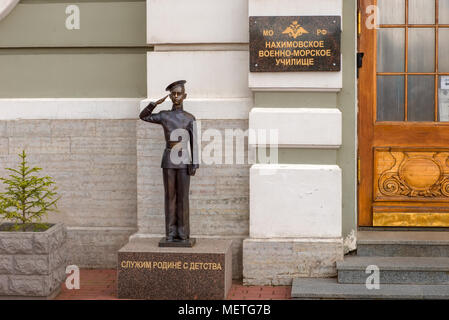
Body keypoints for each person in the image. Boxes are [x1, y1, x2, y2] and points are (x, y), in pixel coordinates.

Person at [139, 80, 199, 246]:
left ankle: (183, 233)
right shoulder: (165, 115)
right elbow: (143, 116)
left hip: (184, 160)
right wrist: (153, 104)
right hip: (168, 160)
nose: (176, 96)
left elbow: (195, 143)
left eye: (179, 93)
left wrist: (195, 163)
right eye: (173, 93)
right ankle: (171, 233)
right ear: (170, 96)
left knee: (183, 198)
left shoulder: (189, 118)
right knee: (170, 198)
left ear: (185, 96)